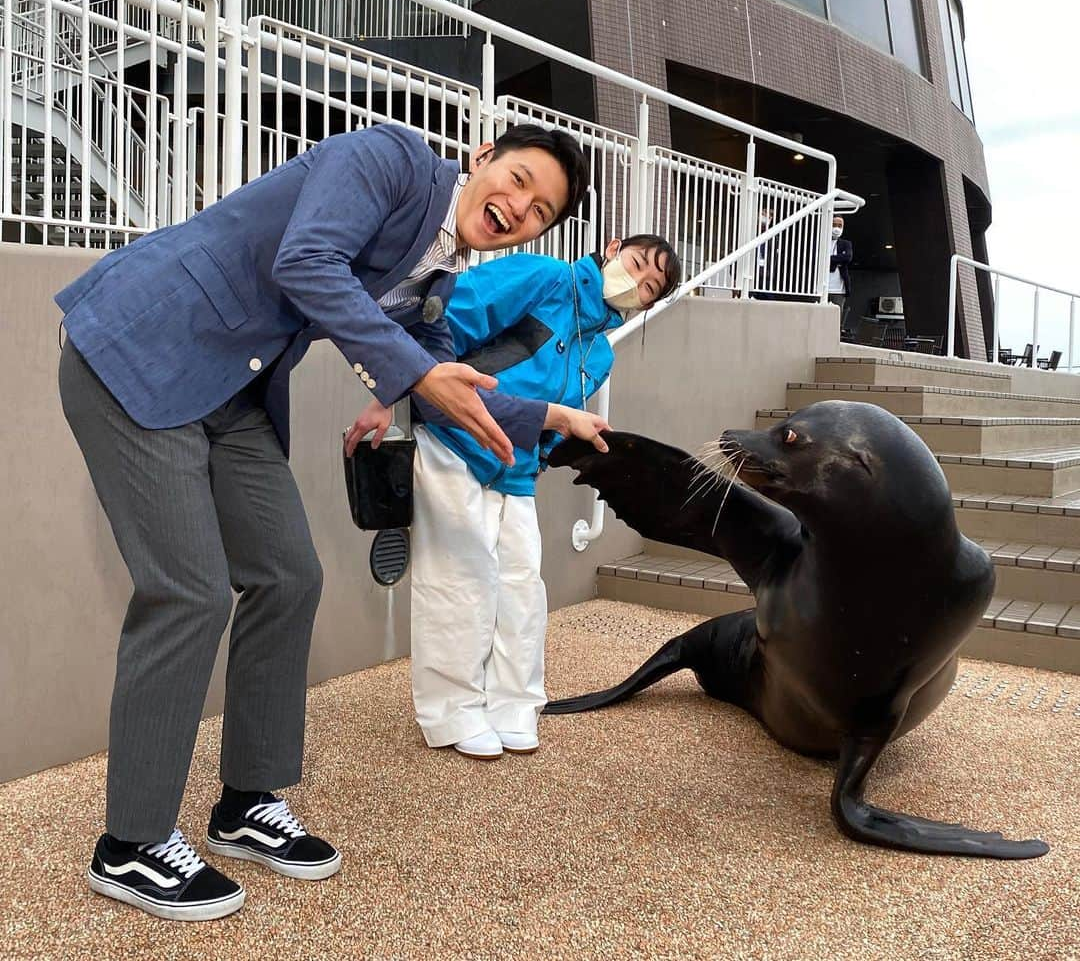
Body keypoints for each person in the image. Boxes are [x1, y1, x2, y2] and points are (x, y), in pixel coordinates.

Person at [56, 121, 589, 921]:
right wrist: (411, 373)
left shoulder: (438, 268)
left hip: (232, 391)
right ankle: (130, 845)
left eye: (541, 210)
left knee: (289, 575)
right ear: (481, 158)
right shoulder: (387, 160)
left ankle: (246, 803)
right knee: (190, 592)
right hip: (140, 349)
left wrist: (550, 414)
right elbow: (304, 260)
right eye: (517, 181)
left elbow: (453, 380)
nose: (520, 208)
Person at [347, 235, 681, 759]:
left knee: (523, 588)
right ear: (613, 248)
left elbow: (560, 417)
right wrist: (386, 394)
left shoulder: (600, 353)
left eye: (648, 288)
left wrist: (549, 446)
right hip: (455, 438)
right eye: (636, 265)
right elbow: (441, 327)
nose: (635, 284)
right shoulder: (545, 276)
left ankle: (515, 705)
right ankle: (452, 712)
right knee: (459, 579)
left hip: (517, 466)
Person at [827, 215, 853, 324]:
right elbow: (817, 258)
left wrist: (829, 259)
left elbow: (848, 257)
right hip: (822, 289)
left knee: (836, 321)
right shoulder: (821, 241)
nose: (837, 228)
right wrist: (838, 260)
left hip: (839, 290)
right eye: (834, 225)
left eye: (840, 226)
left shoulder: (846, 243)